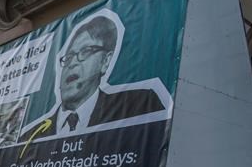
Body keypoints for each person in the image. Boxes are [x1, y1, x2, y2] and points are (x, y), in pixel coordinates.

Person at [22, 13, 166, 139]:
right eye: (69, 57)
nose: (72, 63)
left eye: (85, 51)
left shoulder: (141, 105)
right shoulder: (29, 138)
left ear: (105, 61)